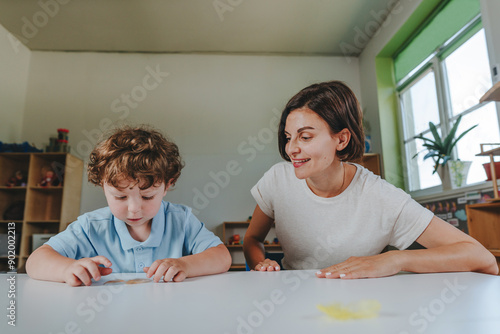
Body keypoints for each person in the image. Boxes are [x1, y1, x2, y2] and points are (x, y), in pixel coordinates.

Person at [243, 81, 498, 279]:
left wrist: (396, 260)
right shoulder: (277, 179)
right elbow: (252, 240)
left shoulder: (380, 196)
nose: (291, 149)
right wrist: (260, 264)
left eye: (305, 137)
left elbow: (481, 257)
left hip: (361, 308)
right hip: (292, 298)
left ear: (341, 139)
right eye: (288, 137)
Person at [26, 126, 231, 286]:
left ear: (168, 185)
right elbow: (35, 261)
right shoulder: (91, 226)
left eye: (148, 196)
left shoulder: (181, 220)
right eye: (121, 197)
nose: (134, 208)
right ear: (102, 185)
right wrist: (67, 269)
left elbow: (222, 257)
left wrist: (185, 265)